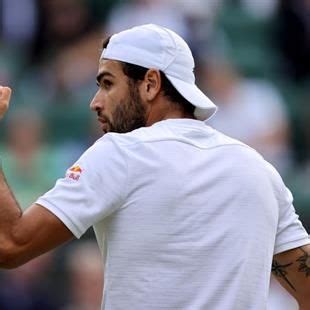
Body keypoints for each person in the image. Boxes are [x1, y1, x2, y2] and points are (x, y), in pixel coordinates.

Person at [0, 24, 309, 309]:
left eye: (107, 84)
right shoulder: (259, 169)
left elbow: (11, 244)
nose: (95, 102)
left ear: (150, 83)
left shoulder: (120, 152)